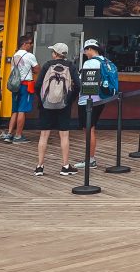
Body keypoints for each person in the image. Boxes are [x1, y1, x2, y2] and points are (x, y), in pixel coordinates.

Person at [34, 42, 80, 176]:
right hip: (64, 104)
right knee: (64, 135)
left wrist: (42, 99)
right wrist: (69, 100)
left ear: (55, 54)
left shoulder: (47, 65)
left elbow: (38, 85)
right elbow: (78, 85)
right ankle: (65, 166)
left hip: (46, 104)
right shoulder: (71, 66)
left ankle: (39, 167)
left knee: (44, 135)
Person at [3, 35, 39, 144]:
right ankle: (18, 135)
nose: (31, 45)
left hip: (15, 85)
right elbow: (37, 69)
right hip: (26, 85)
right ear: (24, 44)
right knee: (22, 110)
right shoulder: (29, 56)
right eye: (29, 43)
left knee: (15, 110)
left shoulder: (15, 55)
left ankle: (9, 134)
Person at [75, 39, 105, 169]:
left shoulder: (89, 63)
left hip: (87, 100)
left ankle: (90, 159)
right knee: (91, 128)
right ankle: (90, 158)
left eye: (86, 51)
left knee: (89, 129)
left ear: (90, 49)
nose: (85, 53)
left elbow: (81, 82)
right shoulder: (105, 61)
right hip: (101, 99)